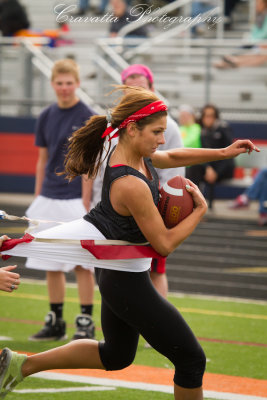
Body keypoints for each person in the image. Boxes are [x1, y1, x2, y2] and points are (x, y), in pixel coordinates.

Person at [0, 86, 258, 400]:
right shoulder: (130, 183)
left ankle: (20, 365)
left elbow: (172, 157)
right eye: (157, 132)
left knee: (116, 355)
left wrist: (221, 153)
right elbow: (163, 244)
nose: (162, 139)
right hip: (125, 281)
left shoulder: (130, 150)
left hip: (116, 273)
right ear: (133, 129)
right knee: (191, 359)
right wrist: (199, 210)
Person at [25, 59, 96, 342]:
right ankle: (55, 321)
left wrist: (85, 201)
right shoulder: (45, 115)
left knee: (82, 263)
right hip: (48, 198)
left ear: (77, 84)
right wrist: (38, 195)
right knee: (50, 263)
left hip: (74, 199)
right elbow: (42, 159)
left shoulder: (88, 116)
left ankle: (85, 322)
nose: (65, 88)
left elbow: (90, 164)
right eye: (60, 83)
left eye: (69, 83)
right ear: (53, 84)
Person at [121, 64, 185, 298]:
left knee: (155, 270)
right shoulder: (117, 125)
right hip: (119, 209)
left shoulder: (169, 127)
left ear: (152, 88)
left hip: (152, 208)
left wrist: (166, 210)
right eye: (131, 90)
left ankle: (157, 331)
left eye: (141, 89)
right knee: (118, 270)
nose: (137, 95)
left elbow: (175, 172)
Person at [186, 104, 235, 208]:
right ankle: (192, 206)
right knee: (193, 168)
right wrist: (208, 168)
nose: (208, 119)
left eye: (211, 116)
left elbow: (229, 156)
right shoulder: (200, 131)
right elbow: (201, 153)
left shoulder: (224, 129)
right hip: (208, 169)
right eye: (206, 116)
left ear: (216, 117)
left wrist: (216, 172)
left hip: (222, 169)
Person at [215, 0, 267, 69]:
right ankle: (229, 61)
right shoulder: (259, 16)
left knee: (257, 52)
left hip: (259, 43)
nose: (256, 6)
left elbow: (263, 33)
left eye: (258, 3)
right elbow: (255, 32)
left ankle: (233, 62)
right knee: (240, 49)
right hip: (254, 42)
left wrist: (253, 40)